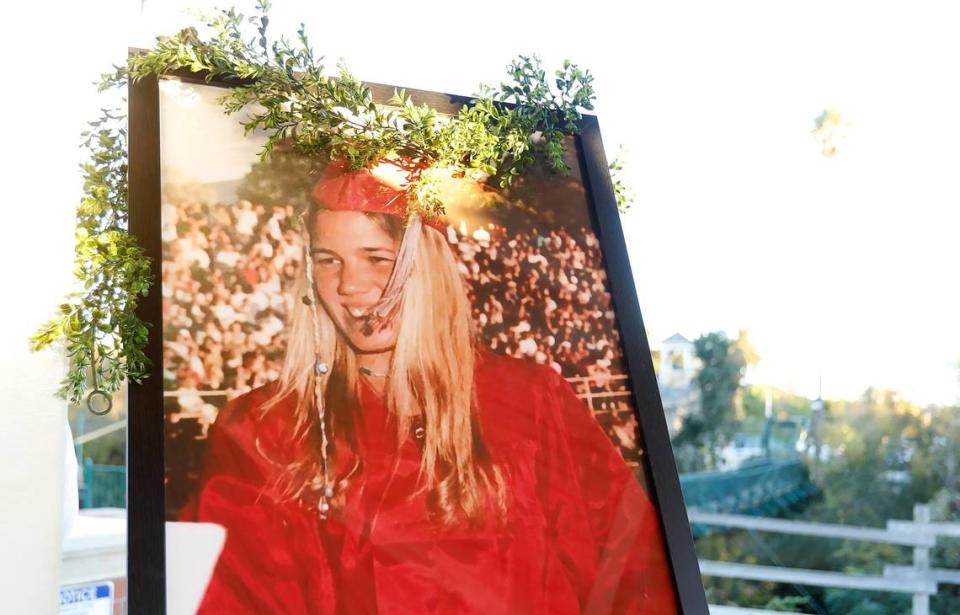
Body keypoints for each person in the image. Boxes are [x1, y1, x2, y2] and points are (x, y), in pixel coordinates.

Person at [180, 160, 678, 614]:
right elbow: (232, 596)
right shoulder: (268, 430)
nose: (350, 285)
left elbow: (631, 572)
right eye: (329, 260)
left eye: (377, 258)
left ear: (428, 265)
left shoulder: (527, 401)